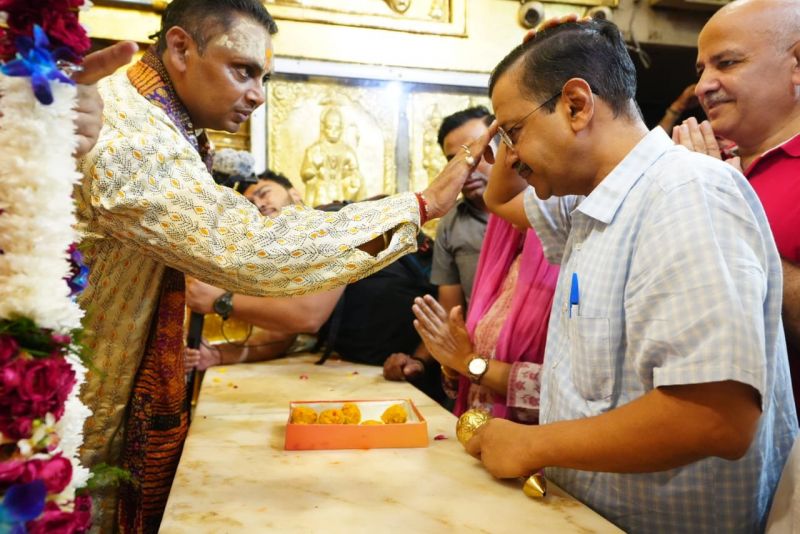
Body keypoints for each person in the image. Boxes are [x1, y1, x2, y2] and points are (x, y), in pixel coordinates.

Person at [76, 0, 491, 529]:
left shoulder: (159, 122)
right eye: (243, 70)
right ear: (180, 48)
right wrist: (420, 205)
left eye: (264, 77)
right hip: (80, 402)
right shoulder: (135, 133)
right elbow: (254, 248)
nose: (256, 94)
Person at [473, 18, 797, 533]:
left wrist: (532, 443)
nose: (509, 156)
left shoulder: (684, 193)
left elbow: (715, 419)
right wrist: (526, 86)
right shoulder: (593, 201)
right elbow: (501, 198)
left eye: (513, 132)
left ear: (576, 106)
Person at [673, 0, 800, 417]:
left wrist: (727, 216)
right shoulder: (710, 164)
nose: (704, 85)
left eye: (726, 63)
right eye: (701, 70)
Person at [412, 212, 558, 422]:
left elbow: (564, 393)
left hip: (528, 445)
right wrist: (453, 365)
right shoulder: (510, 261)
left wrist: (468, 362)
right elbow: (471, 369)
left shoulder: (568, 267)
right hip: (476, 437)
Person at [383, 106, 492, 383]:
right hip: (475, 364)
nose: (466, 168)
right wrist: (419, 361)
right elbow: (450, 315)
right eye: (453, 160)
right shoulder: (451, 224)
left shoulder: (541, 210)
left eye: (475, 154)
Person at [299, 106, 364, 206]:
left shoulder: (348, 152)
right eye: (329, 127)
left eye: (337, 128)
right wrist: (313, 170)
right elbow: (305, 173)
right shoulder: (315, 150)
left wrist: (348, 177)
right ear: (323, 128)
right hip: (320, 199)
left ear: (341, 129)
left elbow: (355, 176)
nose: (333, 131)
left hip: (342, 199)